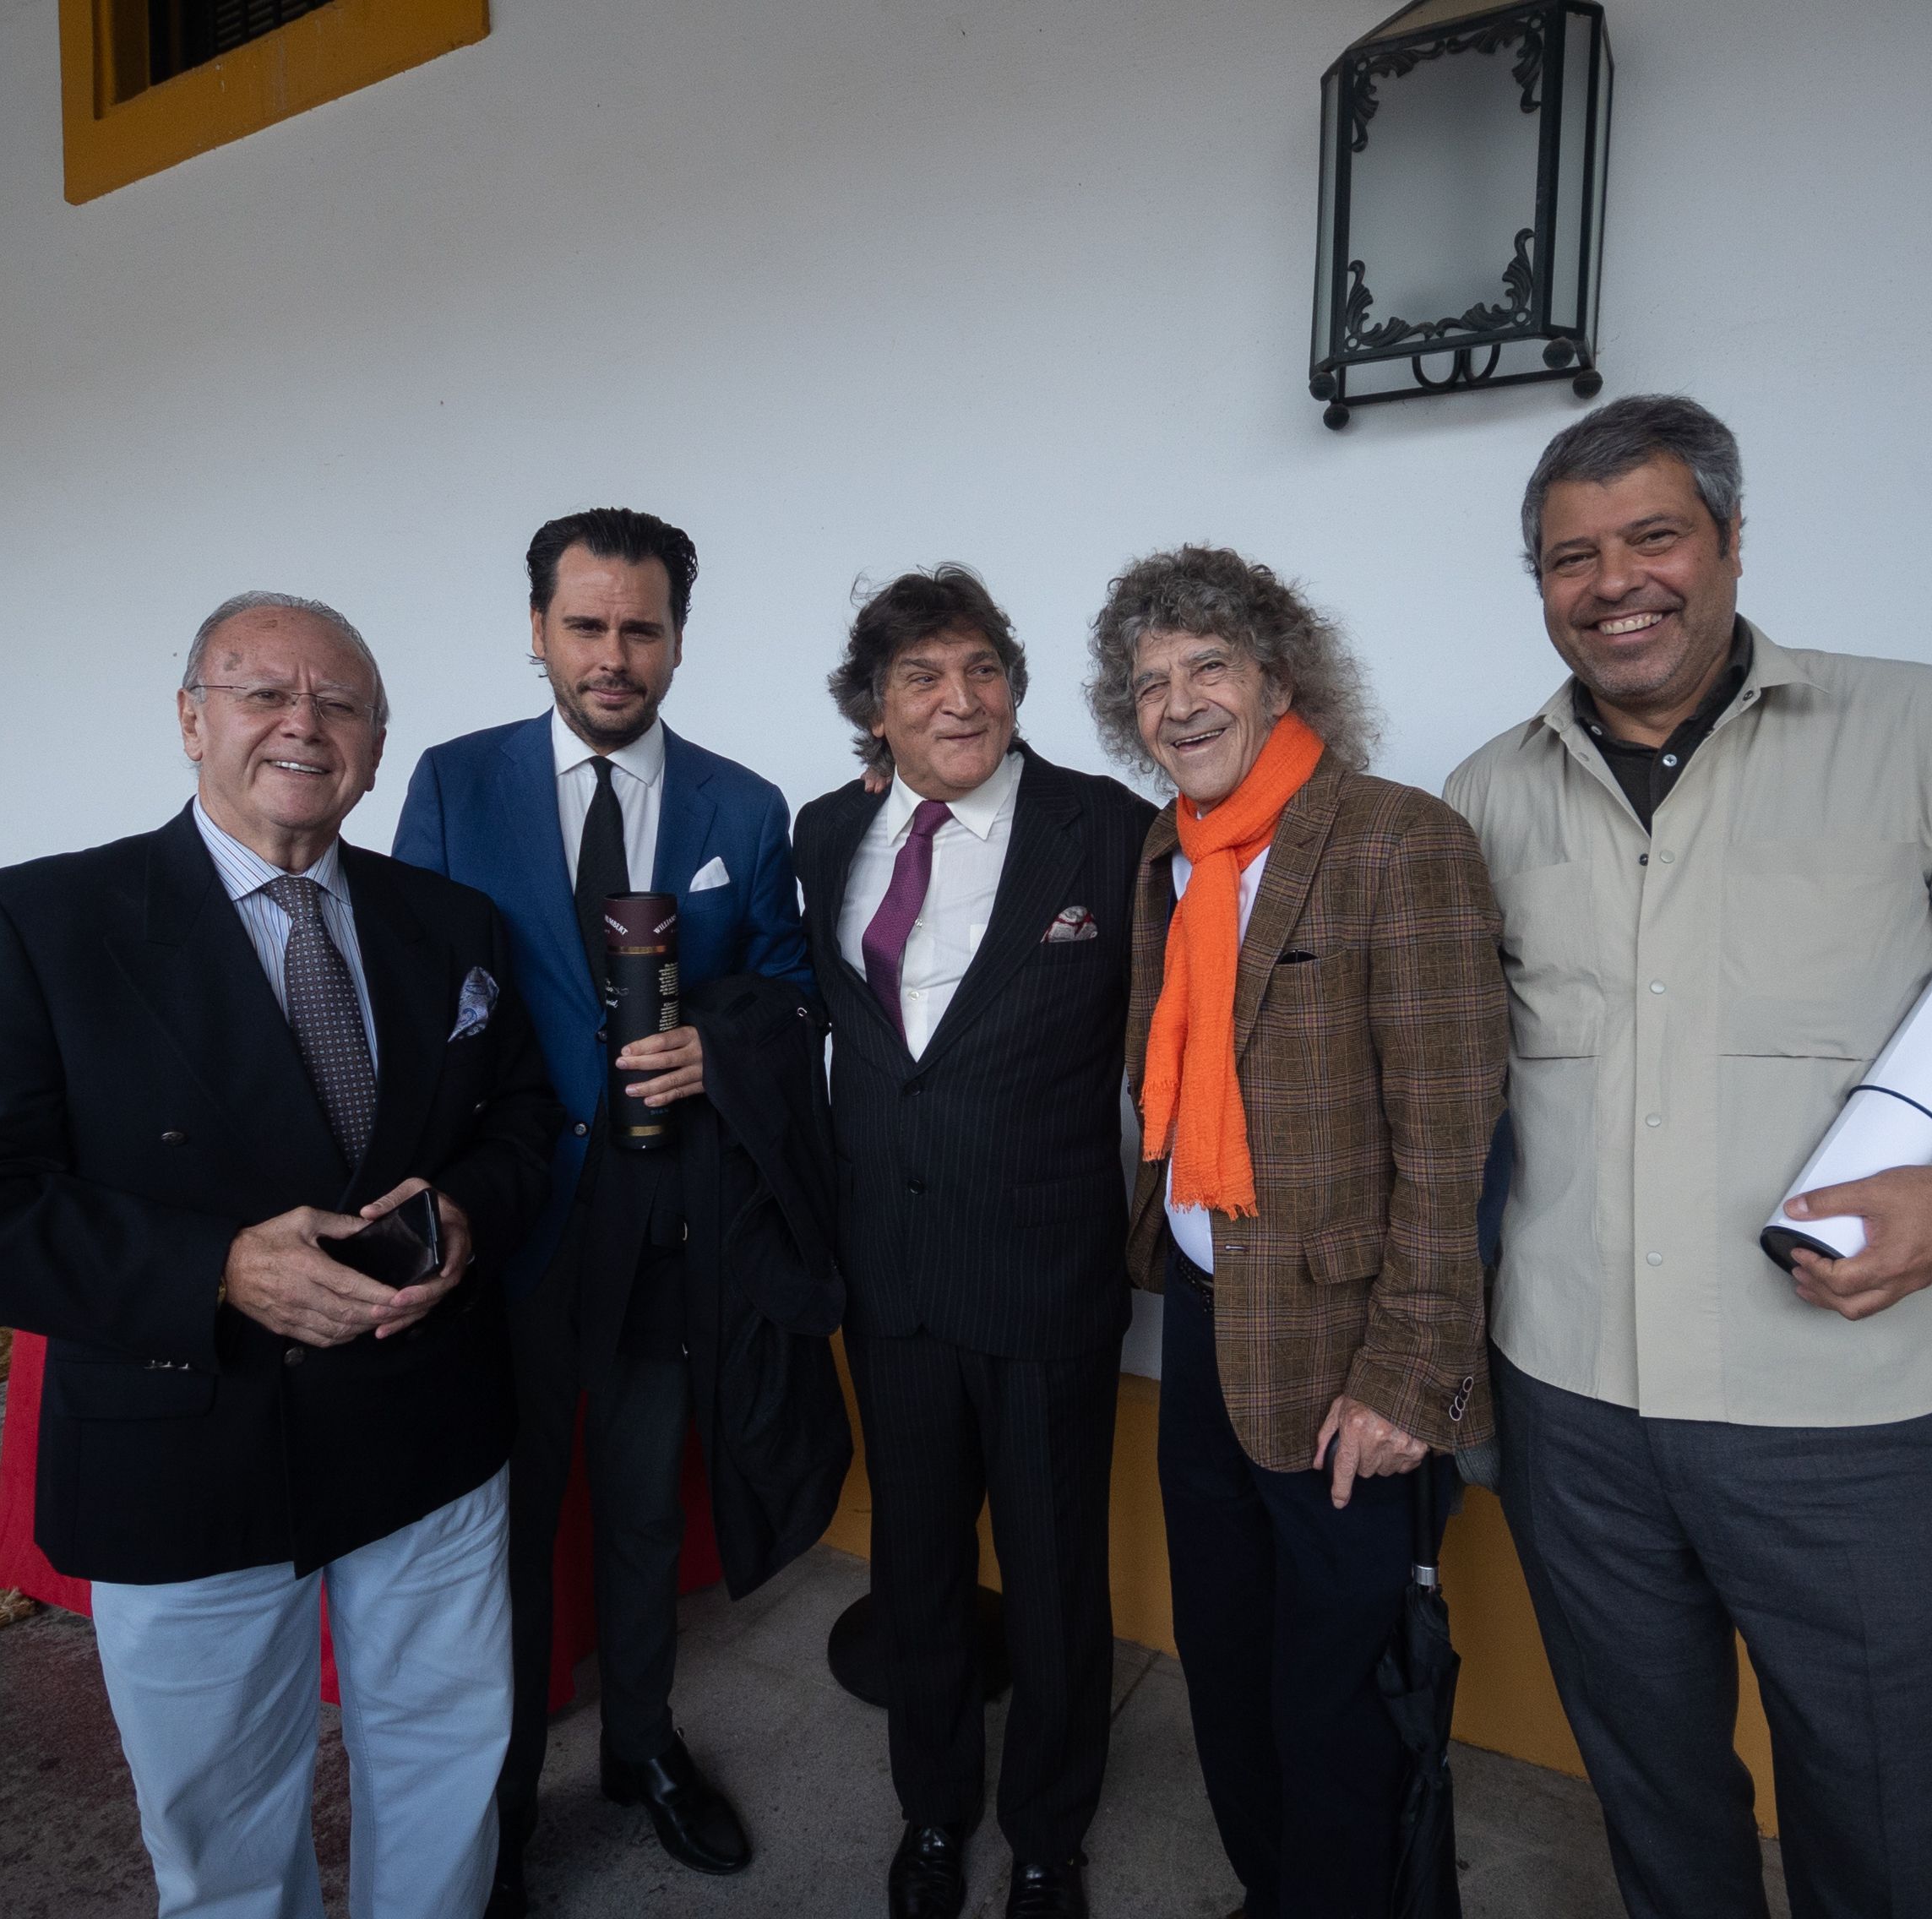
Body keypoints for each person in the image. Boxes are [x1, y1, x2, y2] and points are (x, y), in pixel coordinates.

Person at [1442, 394, 1932, 1919]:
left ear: (1726, 543)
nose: (1612, 580)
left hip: (1832, 1414)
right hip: (1571, 1407)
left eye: (1652, 535)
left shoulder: (1924, 727)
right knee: (1652, 1796)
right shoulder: (1486, 794)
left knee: (1878, 1815)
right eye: (1568, 556)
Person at [0, 593, 561, 1919]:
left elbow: (526, 1121)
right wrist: (215, 1270)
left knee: (446, 1760)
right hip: (182, 1439)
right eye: (262, 692)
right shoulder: (41, 922)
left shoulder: (452, 925)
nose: (304, 721)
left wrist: (474, 1207)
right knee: (221, 1816)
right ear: (191, 720)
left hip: (427, 1424)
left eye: (342, 701)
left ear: (376, 742)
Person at [393, 507, 811, 1908]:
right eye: (586, 625)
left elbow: (790, 988)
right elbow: (408, 999)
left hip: (661, 1226)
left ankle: (640, 1750)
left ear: (678, 638)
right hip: (505, 1226)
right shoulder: (453, 787)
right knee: (499, 1544)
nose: (613, 655)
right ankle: (494, 1806)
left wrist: (725, 1045)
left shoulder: (742, 809)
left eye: (641, 627)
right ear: (537, 631)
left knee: (640, 1512)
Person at [1088, 547, 1506, 1919]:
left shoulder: (1396, 838)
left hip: (1347, 1354)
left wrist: (1408, 1378)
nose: (1178, 702)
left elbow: (1450, 1139)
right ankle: (1278, 1894)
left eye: (1208, 665)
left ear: (1278, 678)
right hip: (1208, 1322)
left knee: (1341, 1694)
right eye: (1148, 683)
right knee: (1227, 1656)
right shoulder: (1169, 851)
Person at [794, 568, 1154, 1919]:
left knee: (1058, 1581)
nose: (961, 700)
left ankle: (1050, 1834)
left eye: (983, 669)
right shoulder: (826, 833)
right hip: (887, 1273)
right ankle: (932, 1814)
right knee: (918, 1569)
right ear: (874, 710)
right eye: (921, 680)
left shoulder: (1107, 830)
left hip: (1046, 1274)